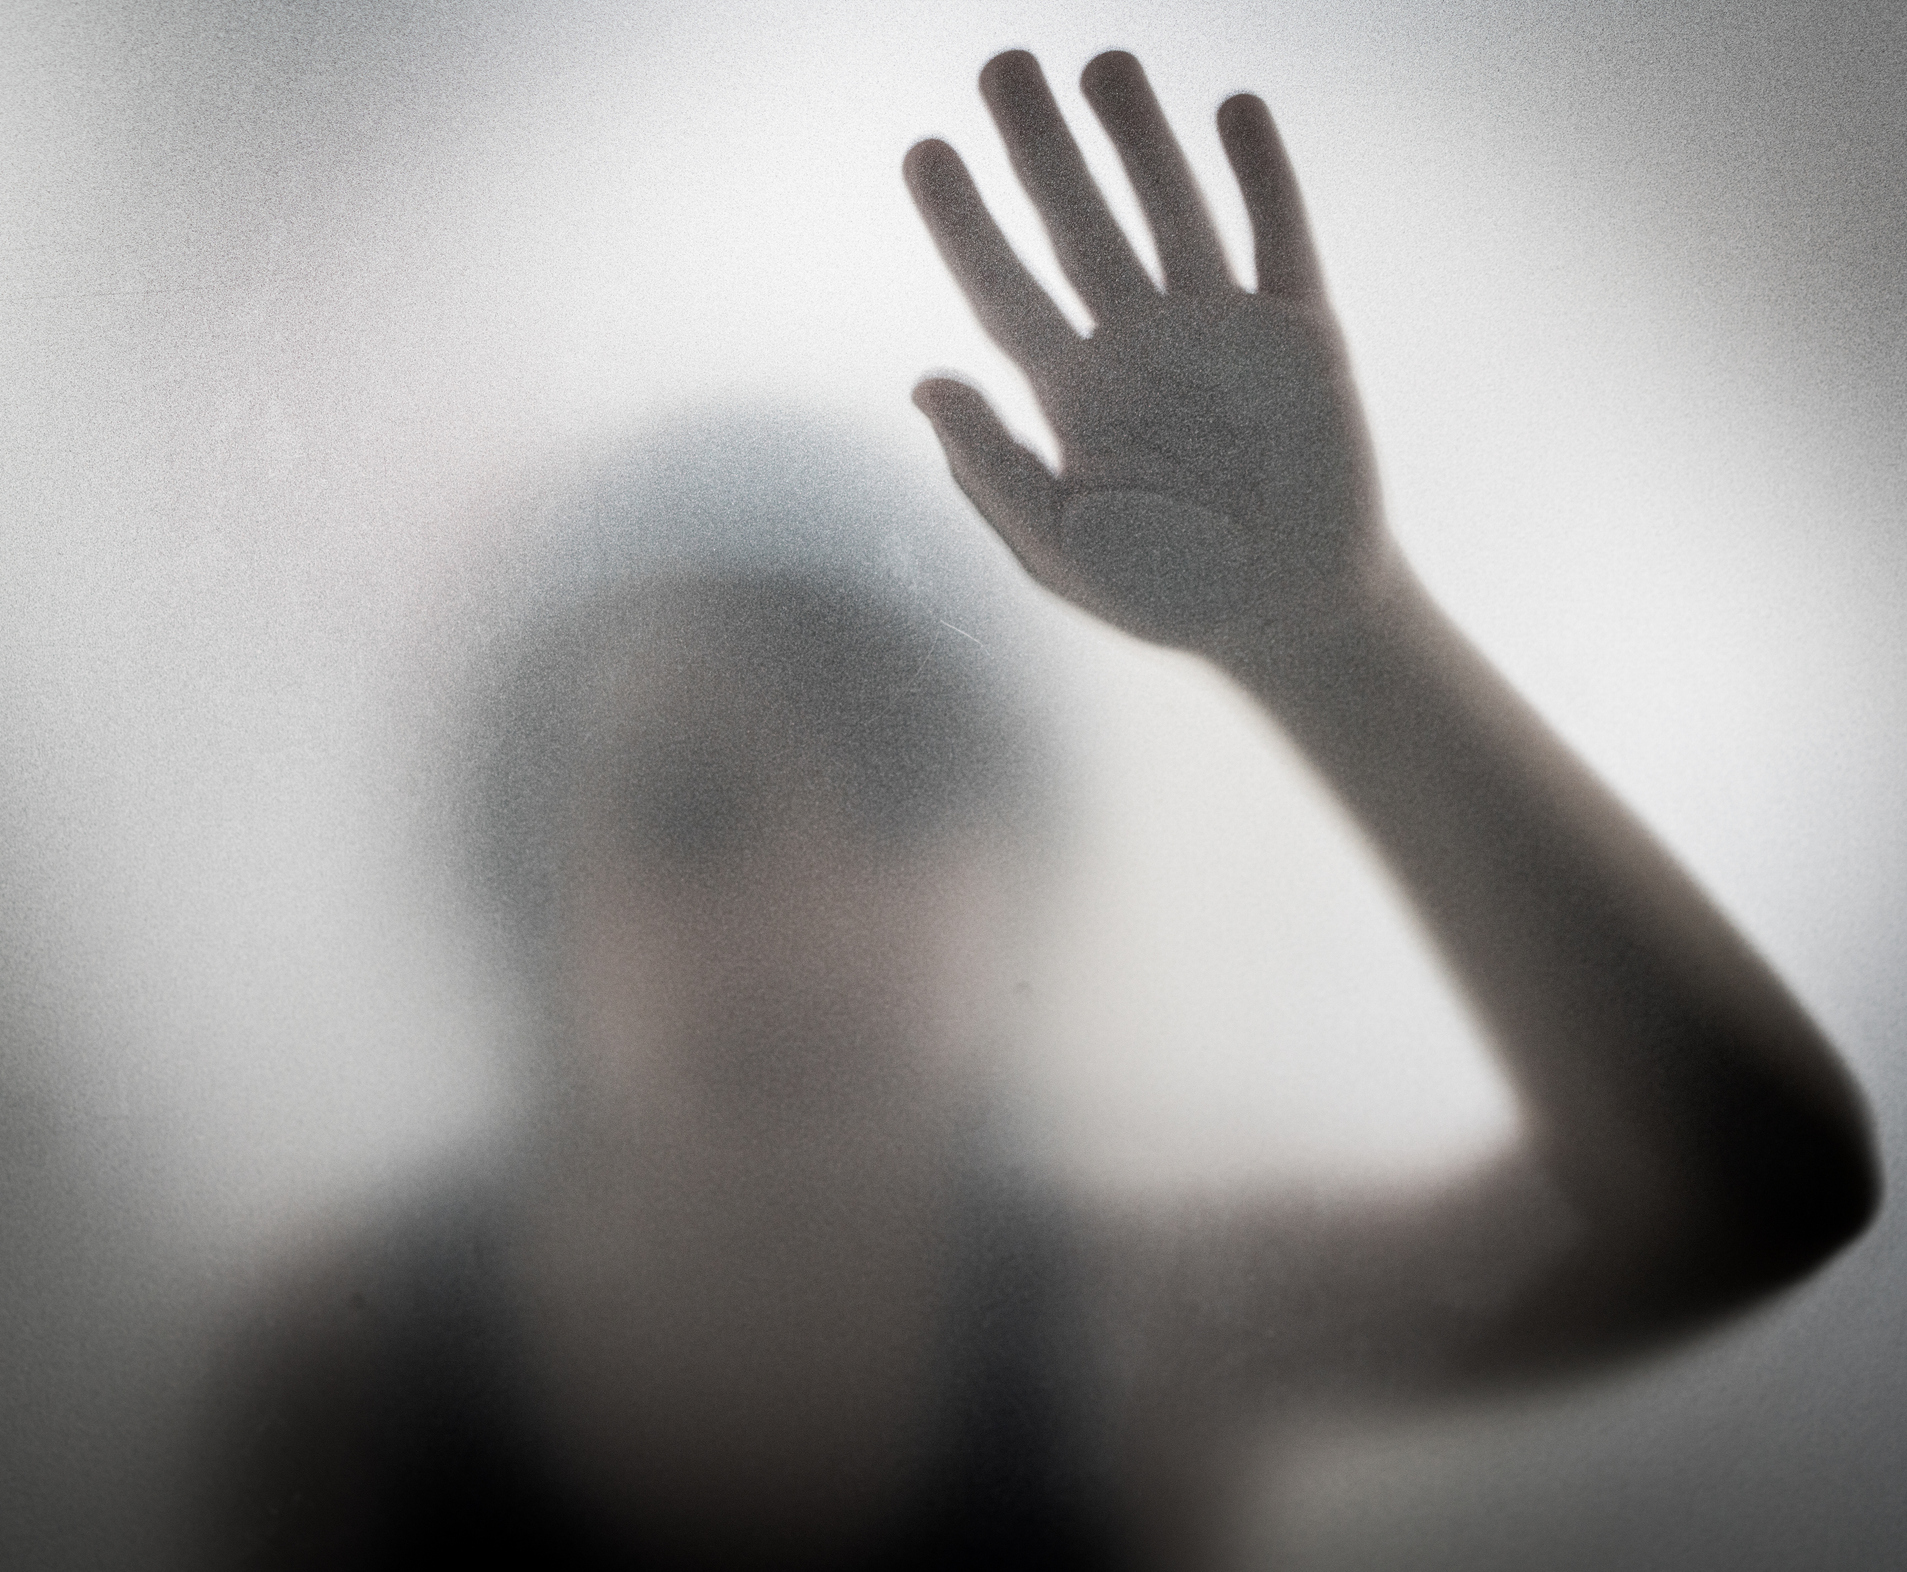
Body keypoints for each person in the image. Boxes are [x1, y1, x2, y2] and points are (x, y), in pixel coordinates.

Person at [200, 48, 1878, 1572]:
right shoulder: (343, 1364)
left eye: (900, 785)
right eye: (686, 808)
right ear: (522, 872)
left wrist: (1334, 641)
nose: (812, 903)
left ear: (1024, 862)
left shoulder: (1145, 1308)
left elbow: (1749, 1190)